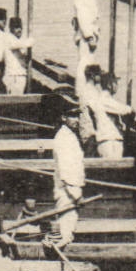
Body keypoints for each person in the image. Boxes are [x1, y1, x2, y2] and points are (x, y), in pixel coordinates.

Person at [46, 104, 88, 250]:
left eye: (78, 116)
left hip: (71, 189)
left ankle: (63, 248)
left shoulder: (70, 136)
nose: (76, 120)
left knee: (69, 225)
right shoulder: (63, 138)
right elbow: (66, 171)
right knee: (66, 226)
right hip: (67, 190)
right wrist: (77, 195)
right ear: (63, 118)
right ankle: (60, 253)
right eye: (72, 116)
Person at [82, 66, 132, 157]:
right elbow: (125, 110)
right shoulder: (104, 99)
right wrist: (131, 110)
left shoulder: (105, 98)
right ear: (109, 85)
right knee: (113, 168)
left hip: (111, 139)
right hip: (108, 141)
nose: (117, 85)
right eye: (115, 83)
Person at [1, 16, 35, 95]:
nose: (19, 30)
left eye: (20, 27)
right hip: (13, 76)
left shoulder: (17, 39)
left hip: (19, 74)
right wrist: (31, 40)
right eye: (16, 28)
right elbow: (24, 44)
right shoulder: (8, 38)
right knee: (15, 100)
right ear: (11, 29)